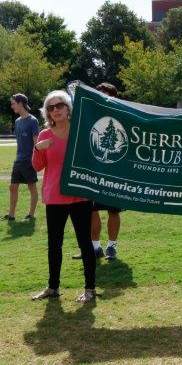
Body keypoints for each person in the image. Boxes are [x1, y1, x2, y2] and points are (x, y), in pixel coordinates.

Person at [31, 90, 97, 302]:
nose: (55, 110)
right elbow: (37, 166)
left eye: (59, 105)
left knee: (85, 243)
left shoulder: (82, 131)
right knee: (54, 244)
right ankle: (53, 287)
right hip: (55, 198)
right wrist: (38, 149)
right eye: (50, 108)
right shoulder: (44, 135)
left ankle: (90, 289)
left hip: (80, 196)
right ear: (47, 113)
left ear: (68, 108)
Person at [72, 82, 123, 261]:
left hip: (115, 171)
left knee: (113, 211)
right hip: (93, 171)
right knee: (91, 210)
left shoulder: (123, 114)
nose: (103, 98)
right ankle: (94, 248)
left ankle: (111, 247)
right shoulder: (89, 114)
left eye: (107, 95)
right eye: (100, 94)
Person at [3, 94, 39, 221]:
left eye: (13, 103)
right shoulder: (17, 121)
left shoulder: (33, 121)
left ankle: (31, 214)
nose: (12, 106)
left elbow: (36, 144)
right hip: (18, 160)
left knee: (32, 187)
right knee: (12, 187)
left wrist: (35, 160)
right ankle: (11, 215)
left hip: (29, 160)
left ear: (20, 103)